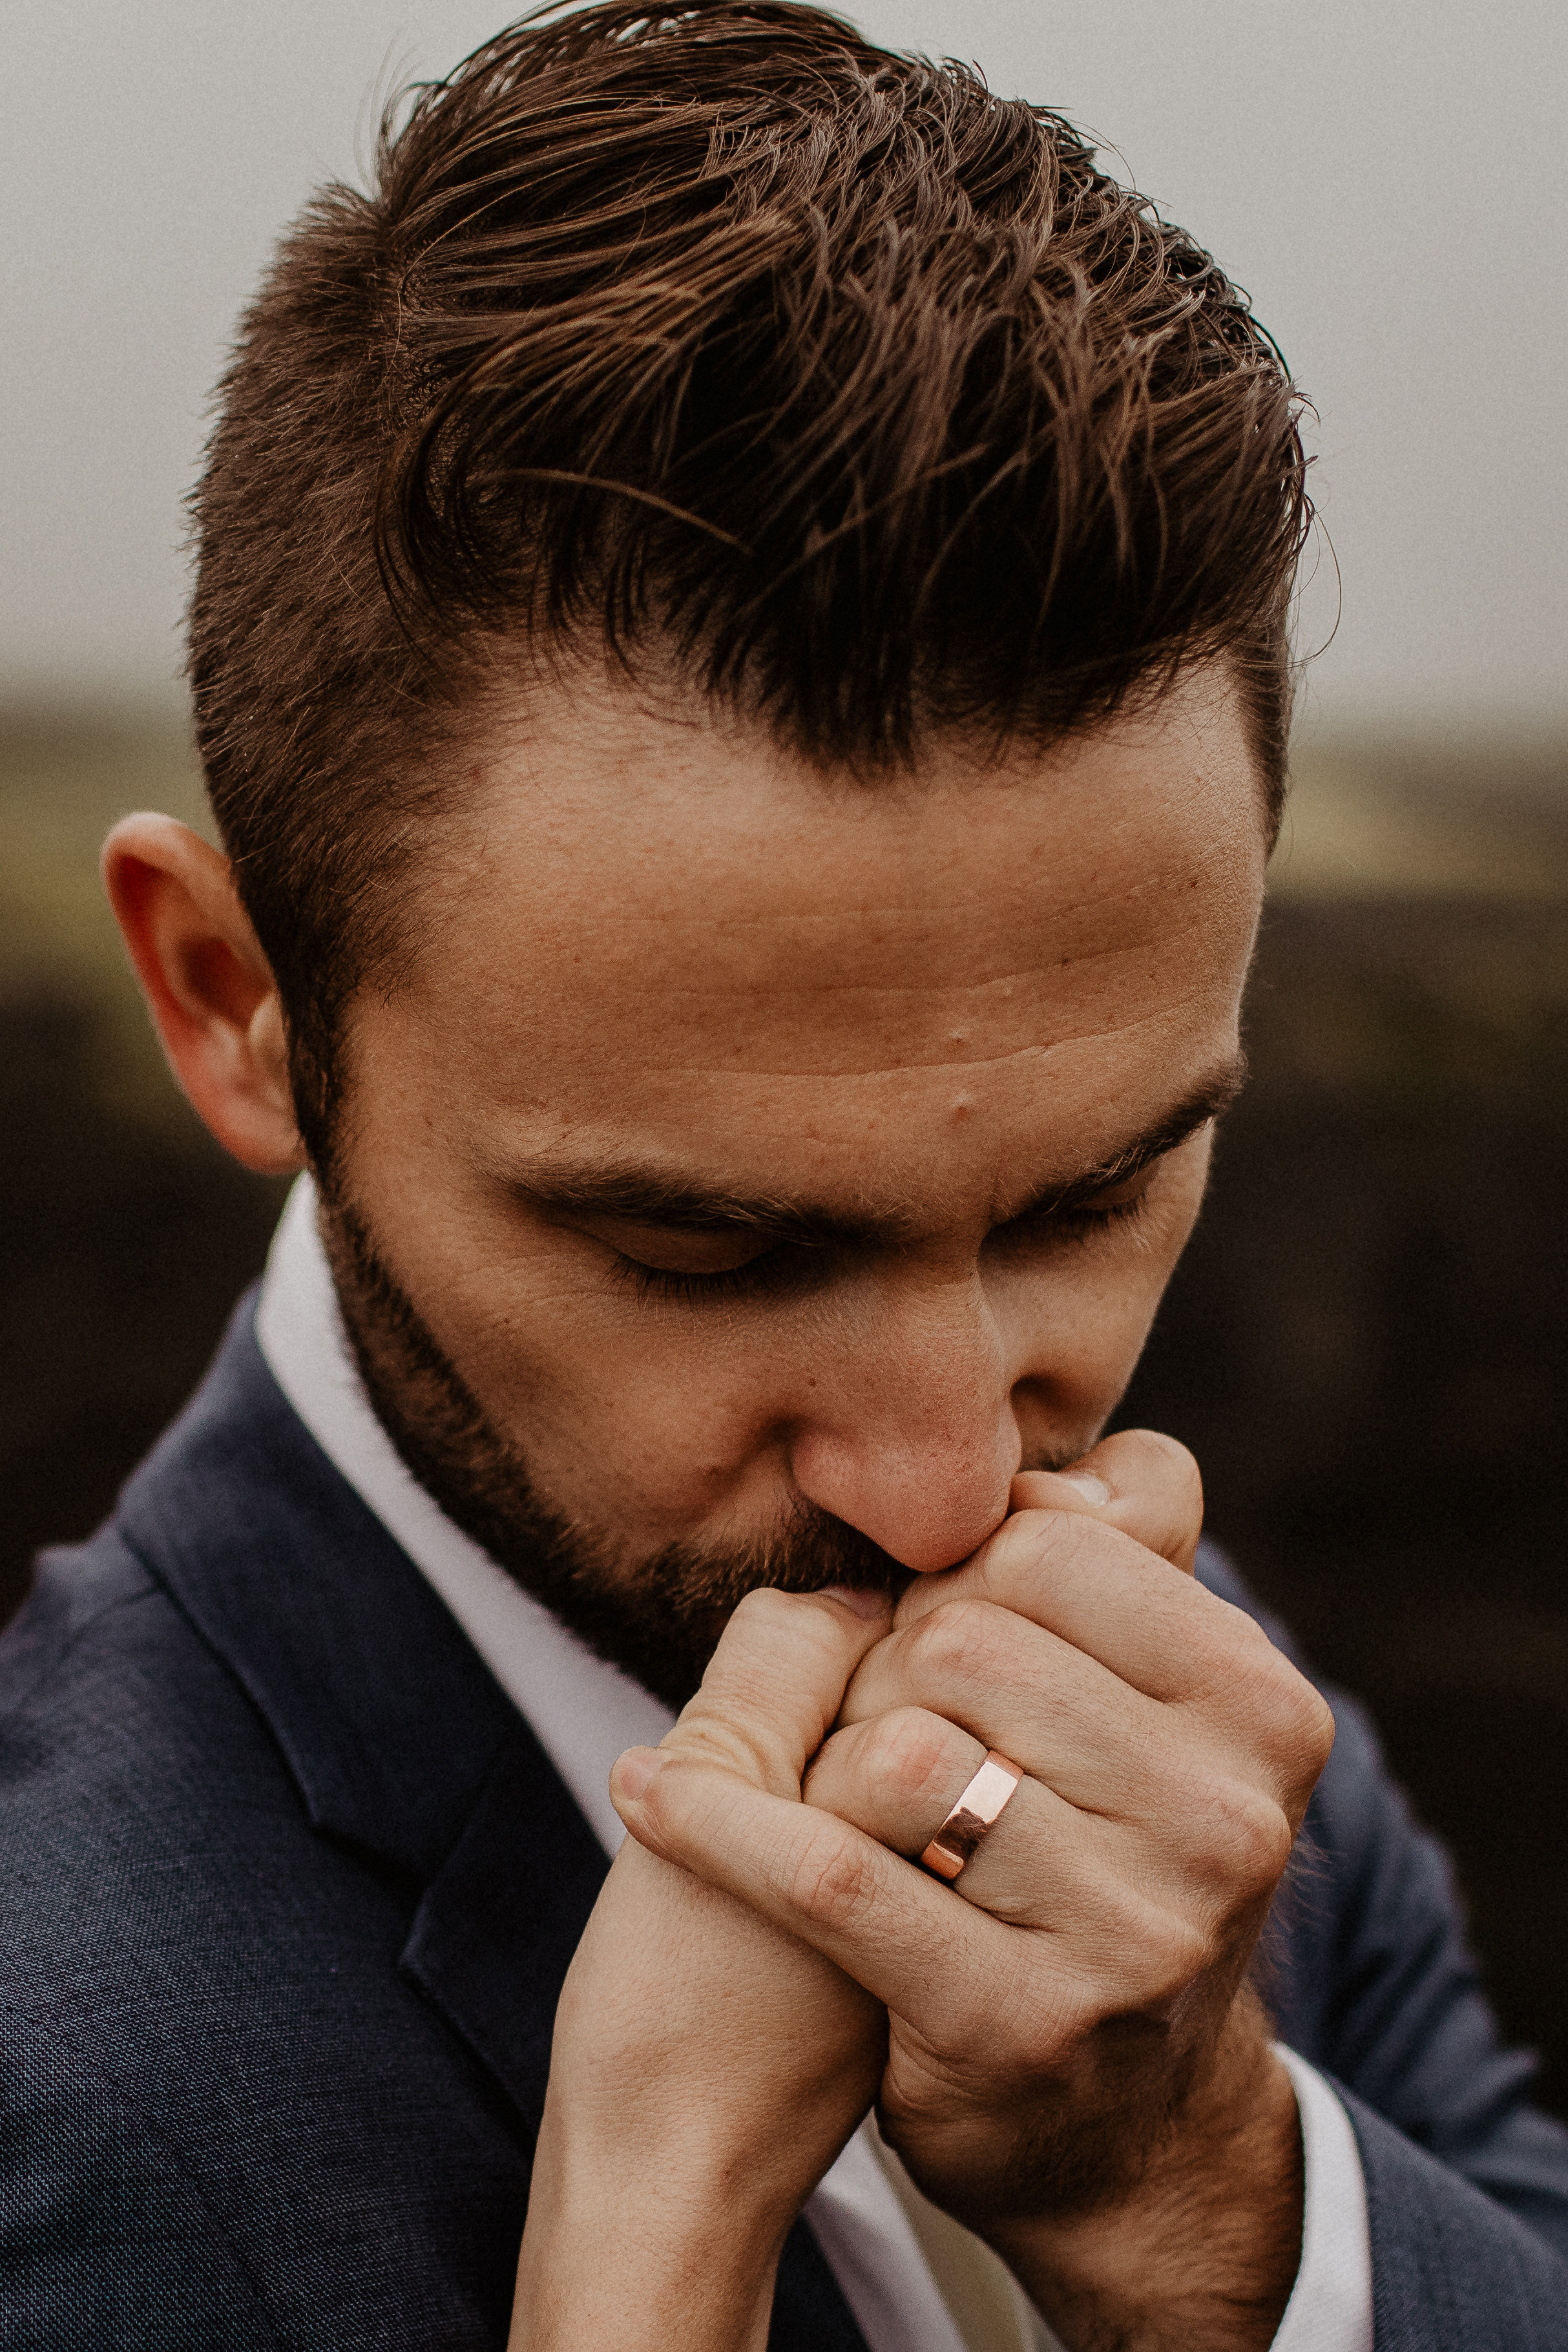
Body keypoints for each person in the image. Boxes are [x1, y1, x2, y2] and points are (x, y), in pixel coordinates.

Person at [2, 5, 1564, 2347]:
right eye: (702, 1247)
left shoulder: (1177, 1687)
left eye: (1090, 1197)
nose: (949, 1485)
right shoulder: (60, 2099)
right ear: (237, 999)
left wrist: (1215, 2201)